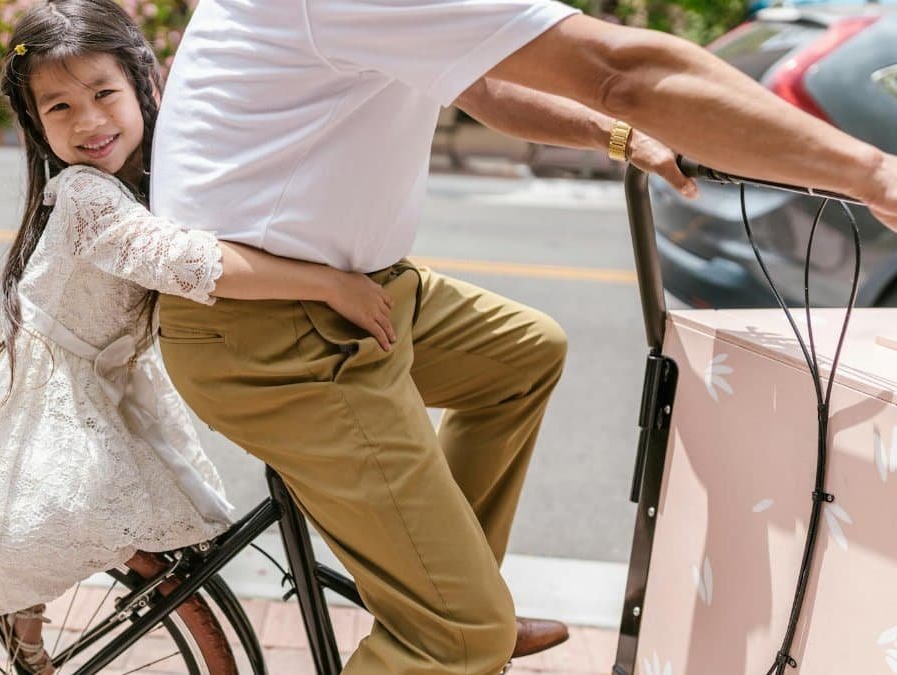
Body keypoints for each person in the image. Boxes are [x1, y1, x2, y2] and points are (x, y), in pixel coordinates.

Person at [150, 1, 897, 674]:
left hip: (356, 296)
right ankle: (449, 629)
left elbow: (481, 85)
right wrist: (872, 172)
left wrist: (615, 134)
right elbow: (621, 70)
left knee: (520, 353)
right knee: (458, 635)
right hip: (263, 329)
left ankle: (440, 593)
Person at [0, 2, 399, 672]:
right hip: (30, 396)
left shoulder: (156, 173)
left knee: (37, 537)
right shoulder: (87, 196)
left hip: (97, 384)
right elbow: (187, 260)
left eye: (103, 93)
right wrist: (325, 282)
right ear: (36, 124)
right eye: (58, 108)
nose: (87, 121)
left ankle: (26, 644)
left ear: (143, 83)